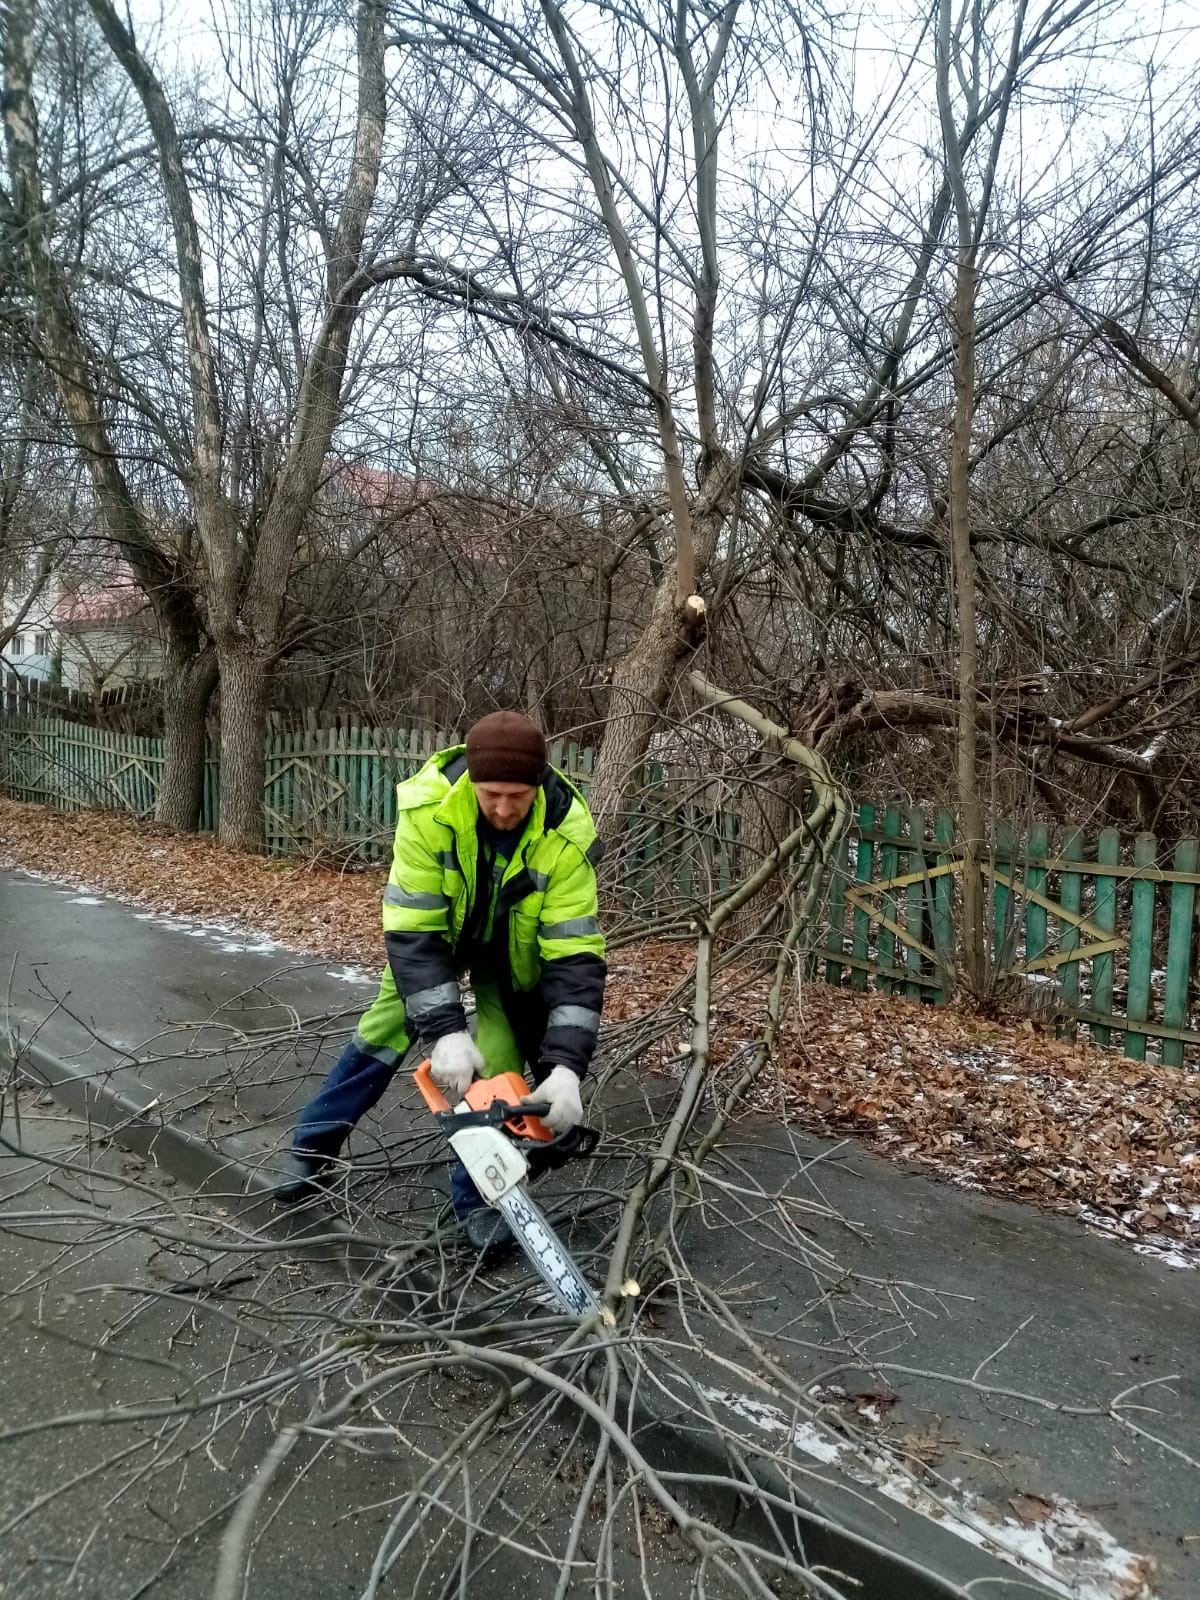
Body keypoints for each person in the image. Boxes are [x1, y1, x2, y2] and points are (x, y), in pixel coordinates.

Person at [272, 710, 606, 1254]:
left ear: (538, 787)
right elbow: (413, 927)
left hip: (512, 955)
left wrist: (567, 1068)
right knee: (383, 1031)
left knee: (498, 1063)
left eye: (515, 797)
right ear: (473, 783)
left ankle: (478, 1202)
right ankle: (311, 1152)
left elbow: (575, 957)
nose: (502, 809)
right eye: (490, 794)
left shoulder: (566, 834)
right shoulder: (428, 810)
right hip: (437, 940)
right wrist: (445, 1030)